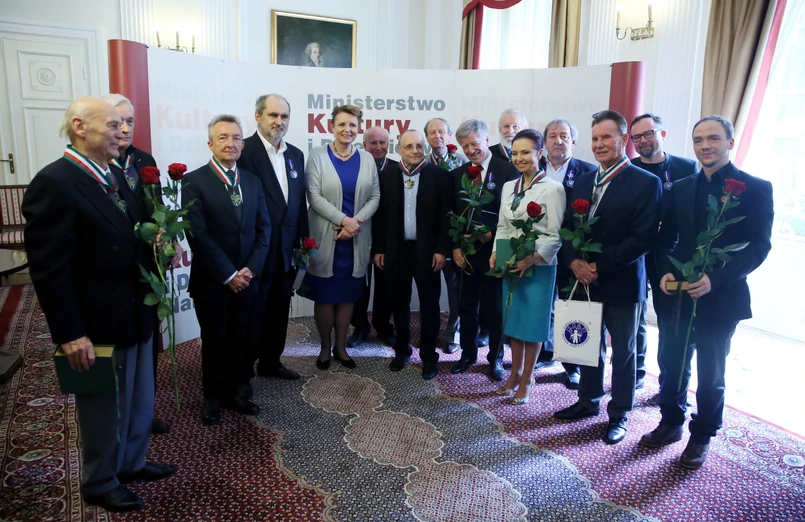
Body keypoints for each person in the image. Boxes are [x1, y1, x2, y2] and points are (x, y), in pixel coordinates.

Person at [22, 97, 175, 512]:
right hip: (96, 319)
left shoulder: (114, 173)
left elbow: (131, 231)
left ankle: (131, 462)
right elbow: (50, 270)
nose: (121, 132)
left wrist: (156, 243)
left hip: (134, 308)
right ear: (79, 127)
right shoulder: (54, 182)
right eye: (111, 125)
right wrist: (70, 333)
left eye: (123, 124)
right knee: (104, 404)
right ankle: (100, 480)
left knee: (139, 395)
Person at [640, 115, 773, 470]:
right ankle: (671, 421)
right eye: (698, 140)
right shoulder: (680, 187)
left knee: (711, 372)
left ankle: (702, 435)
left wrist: (717, 278)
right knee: (671, 362)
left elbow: (759, 246)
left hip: (723, 296)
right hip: (679, 294)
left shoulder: (757, 188)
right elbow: (664, 238)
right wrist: (666, 270)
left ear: (730, 142)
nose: (705, 146)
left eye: (713, 138)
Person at [553, 110, 661, 445]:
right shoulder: (585, 180)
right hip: (582, 280)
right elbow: (568, 226)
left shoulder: (646, 182)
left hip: (621, 281)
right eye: (595, 138)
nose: (599, 144)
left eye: (606, 137)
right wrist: (574, 261)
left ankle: (620, 414)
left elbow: (642, 237)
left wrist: (599, 267)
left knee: (623, 352)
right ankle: (588, 401)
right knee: (586, 344)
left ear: (623, 139)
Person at [182, 115, 270, 426]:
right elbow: (198, 235)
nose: (230, 143)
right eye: (222, 137)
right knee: (215, 340)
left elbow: (264, 229)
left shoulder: (252, 181)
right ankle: (212, 396)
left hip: (248, 279)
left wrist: (251, 269)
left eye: (235, 138)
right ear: (210, 143)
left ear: (243, 145)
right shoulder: (193, 181)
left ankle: (237, 391)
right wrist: (229, 275)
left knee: (243, 338)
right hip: (213, 281)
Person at [102, 93, 172, 436]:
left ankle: (146, 408)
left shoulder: (144, 160)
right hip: (114, 272)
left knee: (148, 341)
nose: (125, 129)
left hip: (147, 266)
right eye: (118, 122)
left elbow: (156, 208)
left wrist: (166, 239)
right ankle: (119, 416)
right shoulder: (98, 165)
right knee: (120, 348)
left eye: (130, 121)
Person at [490, 129, 565, 403]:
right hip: (510, 260)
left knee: (532, 325)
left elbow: (555, 235)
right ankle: (515, 372)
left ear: (540, 153)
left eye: (526, 152)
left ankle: (528, 378)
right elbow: (502, 225)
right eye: (515, 153)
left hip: (539, 266)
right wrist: (496, 252)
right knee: (514, 321)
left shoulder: (553, 189)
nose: (519, 158)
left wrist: (530, 259)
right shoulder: (509, 186)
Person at [304, 105, 380, 369]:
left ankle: (341, 347)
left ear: (359, 128)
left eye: (353, 125)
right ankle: (325, 347)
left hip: (355, 241)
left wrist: (354, 224)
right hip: (326, 239)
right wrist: (343, 220)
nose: (347, 130)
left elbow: (375, 197)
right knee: (325, 296)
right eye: (342, 124)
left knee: (348, 296)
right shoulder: (317, 155)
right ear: (331, 127)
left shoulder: (367, 159)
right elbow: (314, 196)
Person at [238, 94, 308, 381]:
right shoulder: (243, 151)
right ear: (258, 117)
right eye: (273, 115)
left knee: (279, 312)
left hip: (286, 251)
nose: (279, 121)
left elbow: (298, 203)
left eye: (284, 116)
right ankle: (243, 373)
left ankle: (271, 361)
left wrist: (304, 243)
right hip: (255, 253)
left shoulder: (296, 155)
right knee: (252, 316)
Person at [373, 130, 450, 379]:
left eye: (419, 146)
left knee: (429, 306)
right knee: (399, 303)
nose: (415, 151)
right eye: (409, 146)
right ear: (399, 150)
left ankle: (428, 356)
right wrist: (379, 249)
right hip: (396, 251)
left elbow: (446, 217)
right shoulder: (387, 176)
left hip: (428, 252)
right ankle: (402, 350)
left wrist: (441, 250)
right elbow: (380, 217)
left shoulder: (439, 175)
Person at [629, 113, 699, 389]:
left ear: (662, 134)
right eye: (636, 137)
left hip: (670, 257)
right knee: (634, 317)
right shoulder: (629, 169)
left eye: (649, 133)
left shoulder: (686, 167)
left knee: (670, 322)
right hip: (634, 254)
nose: (643, 140)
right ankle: (635, 372)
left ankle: (669, 383)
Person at [449, 119, 518, 380]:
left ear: (487, 140)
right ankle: (467, 355)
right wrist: (456, 247)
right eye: (464, 146)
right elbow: (452, 214)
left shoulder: (508, 170)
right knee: (466, 305)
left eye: (474, 143)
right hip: (466, 254)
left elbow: (513, 213)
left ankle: (496, 359)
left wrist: (492, 234)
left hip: (495, 251)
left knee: (495, 309)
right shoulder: (457, 175)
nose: (470, 150)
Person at [536, 119, 598, 389]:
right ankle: (543, 352)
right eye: (552, 136)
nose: (558, 141)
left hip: (572, 251)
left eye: (564, 136)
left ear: (573, 142)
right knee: (542, 305)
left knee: (571, 307)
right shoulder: (534, 167)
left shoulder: (589, 172)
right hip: (538, 249)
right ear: (544, 142)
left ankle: (572, 367)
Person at [348, 126, 396, 348]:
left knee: (386, 286)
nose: (378, 147)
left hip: (387, 240)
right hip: (359, 234)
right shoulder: (355, 167)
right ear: (364, 145)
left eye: (382, 142)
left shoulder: (397, 170)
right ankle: (360, 327)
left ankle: (383, 326)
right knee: (359, 285)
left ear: (388, 144)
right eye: (373, 143)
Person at [425, 117, 468, 354]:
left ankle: (454, 334)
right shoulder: (421, 162)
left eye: (441, 131)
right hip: (429, 239)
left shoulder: (463, 162)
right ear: (427, 137)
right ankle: (429, 334)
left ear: (449, 135)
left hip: (454, 237)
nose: (437, 136)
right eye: (432, 132)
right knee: (429, 293)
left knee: (456, 293)